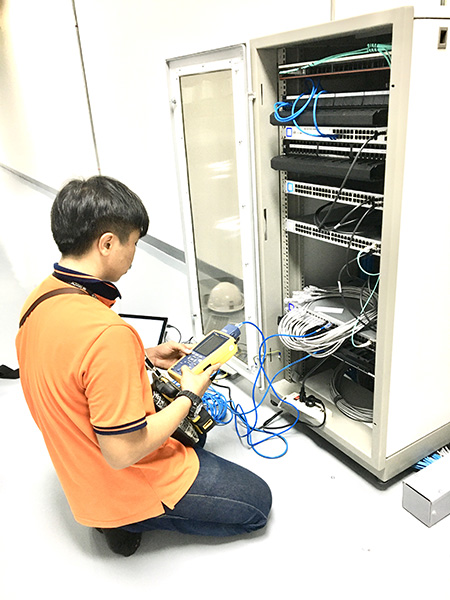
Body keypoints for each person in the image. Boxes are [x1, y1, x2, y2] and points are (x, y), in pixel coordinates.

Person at [16, 175, 272, 557]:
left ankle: (118, 511)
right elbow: (122, 453)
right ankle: (126, 519)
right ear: (107, 243)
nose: (134, 255)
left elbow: (73, 367)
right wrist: (189, 395)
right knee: (257, 503)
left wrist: (144, 356)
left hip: (78, 468)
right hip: (119, 478)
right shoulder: (107, 334)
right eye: (134, 242)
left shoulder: (40, 299)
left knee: (194, 436)